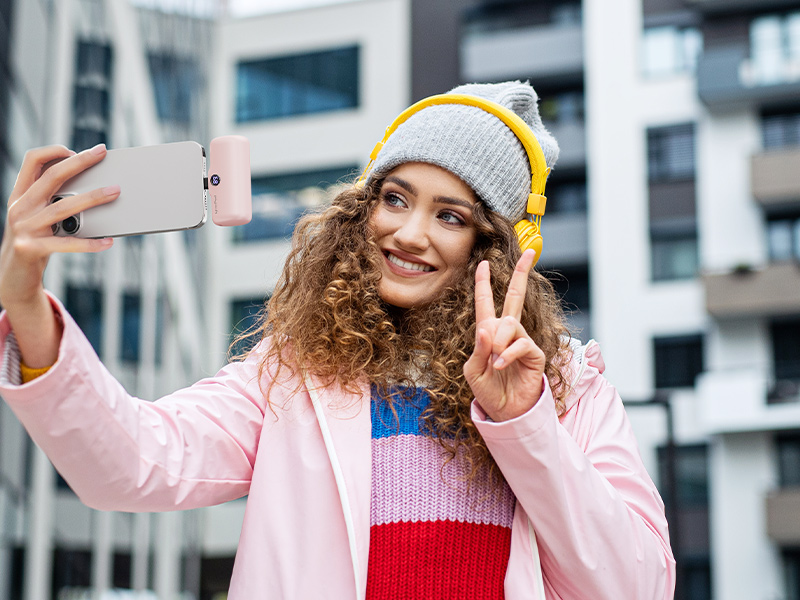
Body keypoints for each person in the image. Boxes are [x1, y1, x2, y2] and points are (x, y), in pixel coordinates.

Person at [0, 81, 675, 599]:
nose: (409, 233)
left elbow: (636, 586)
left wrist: (525, 422)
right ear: (361, 208)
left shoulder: (567, 389)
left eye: (449, 215)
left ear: (492, 247)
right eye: (395, 198)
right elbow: (131, 465)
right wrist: (26, 302)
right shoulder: (294, 373)